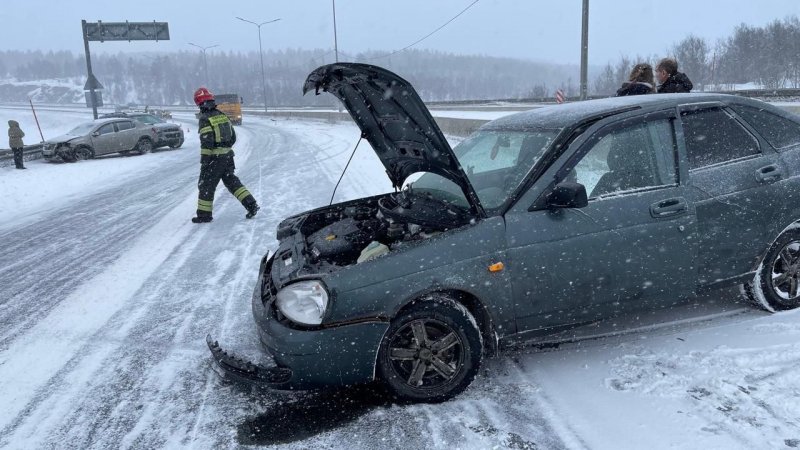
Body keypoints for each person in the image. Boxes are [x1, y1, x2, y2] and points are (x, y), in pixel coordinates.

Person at [191, 87, 259, 223]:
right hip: (228, 157)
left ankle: (204, 216)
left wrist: (205, 162)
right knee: (232, 182)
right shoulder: (222, 115)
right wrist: (224, 148)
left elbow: (207, 143)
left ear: (199, 104)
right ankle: (251, 204)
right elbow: (233, 137)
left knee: (206, 186)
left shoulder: (205, 118)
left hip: (214, 159)